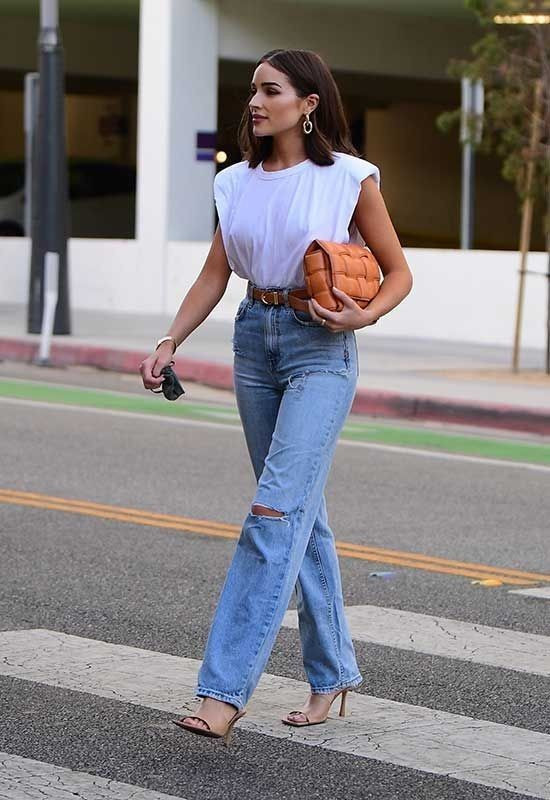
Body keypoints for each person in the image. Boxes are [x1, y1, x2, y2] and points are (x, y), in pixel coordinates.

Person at [140, 48, 412, 745]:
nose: (255, 102)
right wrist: (170, 342)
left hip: (320, 347)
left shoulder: (350, 178)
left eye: (271, 90)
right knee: (299, 513)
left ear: (309, 103)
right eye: (253, 91)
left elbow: (397, 272)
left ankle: (222, 693)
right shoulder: (236, 184)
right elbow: (214, 273)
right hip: (253, 342)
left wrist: (366, 314)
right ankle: (333, 674)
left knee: (272, 513)